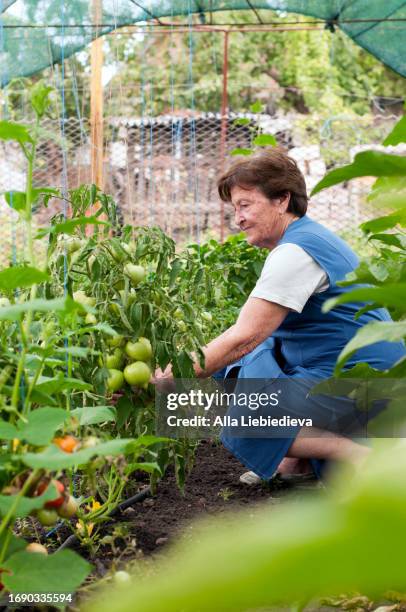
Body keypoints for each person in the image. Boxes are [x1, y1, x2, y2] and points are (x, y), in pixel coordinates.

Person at [153, 148, 405, 484]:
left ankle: (355, 454)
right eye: (234, 208)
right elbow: (248, 336)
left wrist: (170, 379)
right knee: (238, 366)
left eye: (246, 205)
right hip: (356, 372)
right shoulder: (306, 239)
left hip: (366, 383)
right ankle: (296, 462)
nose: (238, 218)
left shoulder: (296, 253)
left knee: (248, 414)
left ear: (282, 200)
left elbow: (244, 337)